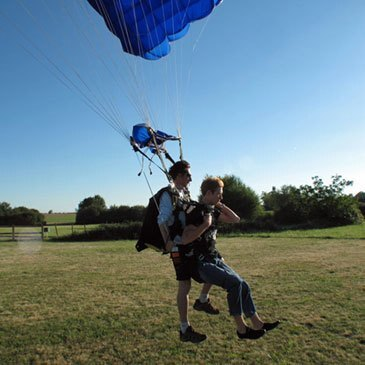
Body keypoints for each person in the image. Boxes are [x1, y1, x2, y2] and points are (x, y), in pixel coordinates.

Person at [182, 177, 280, 340]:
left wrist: (218, 204)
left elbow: (235, 219)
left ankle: (258, 323)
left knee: (243, 284)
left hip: (214, 258)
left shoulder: (213, 210)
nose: (222, 197)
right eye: (219, 194)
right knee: (235, 284)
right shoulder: (195, 211)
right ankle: (242, 330)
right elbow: (185, 238)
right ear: (208, 193)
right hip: (200, 262)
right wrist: (204, 225)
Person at [157, 161, 219, 343]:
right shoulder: (168, 194)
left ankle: (202, 300)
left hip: (189, 243)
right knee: (184, 285)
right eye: (188, 175)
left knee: (213, 262)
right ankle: (185, 328)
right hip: (177, 246)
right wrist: (167, 242)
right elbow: (161, 220)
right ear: (179, 176)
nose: (191, 178)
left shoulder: (183, 193)